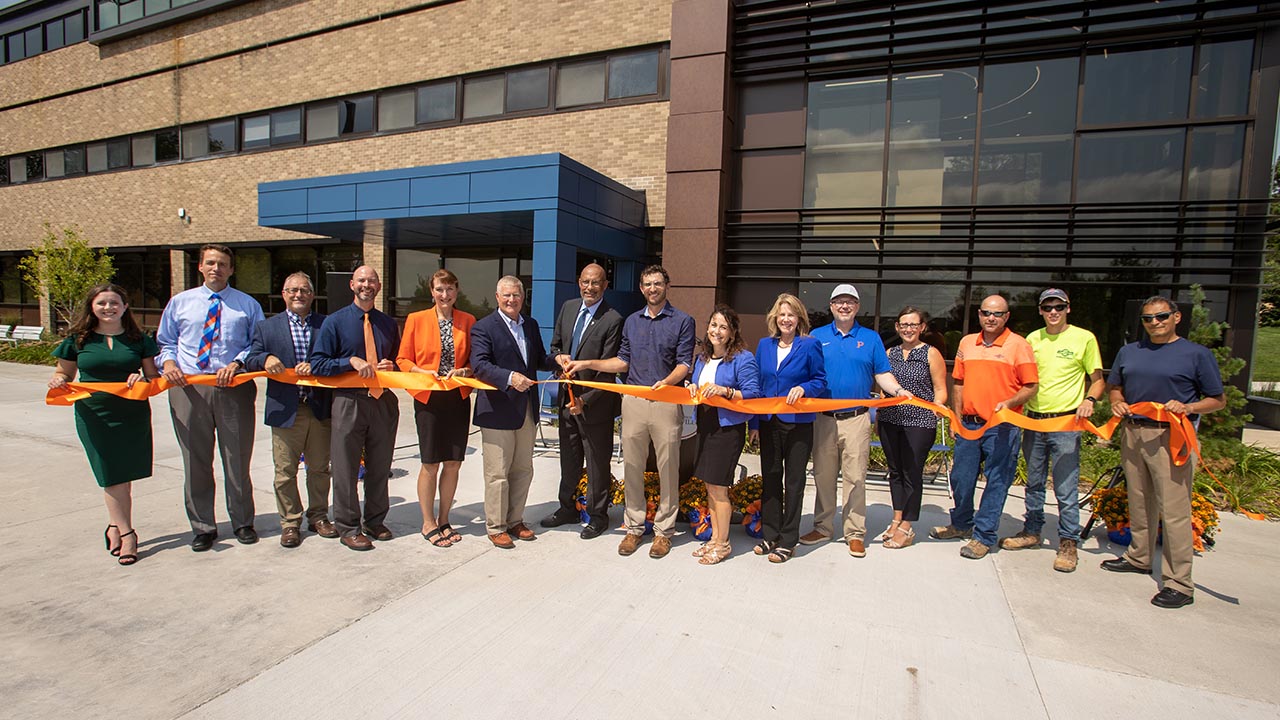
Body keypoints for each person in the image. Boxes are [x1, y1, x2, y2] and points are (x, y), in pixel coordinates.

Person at [564, 264, 695, 559]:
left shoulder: (683, 321)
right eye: (647, 284)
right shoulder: (632, 321)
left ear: (667, 286)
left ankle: (664, 532)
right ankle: (634, 527)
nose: (652, 289)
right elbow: (622, 361)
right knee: (632, 467)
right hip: (633, 402)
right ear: (641, 287)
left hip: (666, 400)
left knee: (667, 469)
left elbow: (685, 363)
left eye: (658, 284)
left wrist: (667, 382)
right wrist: (586, 364)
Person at [1102, 296, 1225, 609]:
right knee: (1140, 500)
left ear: (1176, 317)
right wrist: (1116, 400)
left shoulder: (1196, 354)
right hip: (1133, 432)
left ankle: (1179, 583)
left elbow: (1217, 399)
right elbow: (1115, 386)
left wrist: (1189, 406)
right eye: (1147, 319)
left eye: (1161, 317)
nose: (1154, 323)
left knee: (1174, 510)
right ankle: (1139, 557)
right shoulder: (1130, 352)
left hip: (1173, 437)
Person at [156, 243, 265, 552]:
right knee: (196, 461)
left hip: (234, 389)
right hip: (189, 389)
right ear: (201, 267)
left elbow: (256, 343)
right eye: (211, 263)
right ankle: (203, 526)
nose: (216, 268)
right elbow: (165, 341)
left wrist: (237, 363)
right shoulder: (180, 303)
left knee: (237, 460)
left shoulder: (246, 305)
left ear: (231, 269)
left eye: (223, 264)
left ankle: (243, 521)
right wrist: (169, 363)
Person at [49, 284, 159, 566]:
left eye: (114, 303)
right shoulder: (79, 339)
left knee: (125, 473)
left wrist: (142, 380)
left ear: (124, 307)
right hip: (94, 413)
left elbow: (152, 376)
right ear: (92, 307)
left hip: (131, 412)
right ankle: (128, 533)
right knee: (111, 473)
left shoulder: (139, 339)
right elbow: (65, 370)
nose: (108, 308)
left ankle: (114, 526)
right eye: (102, 303)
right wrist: (59, 379)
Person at [800, 284, 911, 558]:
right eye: (839, 301)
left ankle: (855, 533)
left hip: (857, 419)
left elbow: (882, 375)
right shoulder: (816, 336)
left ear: (857, 307)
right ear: (831, 306)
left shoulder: (871, 339)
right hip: (823, 419)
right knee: (823, 476)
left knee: (856, 478)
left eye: (850, 302)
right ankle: (823, 527)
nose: (844, 306)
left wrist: (897, 391)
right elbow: (807, 373)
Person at [1000, 289, 1103, 573]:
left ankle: (1068, 542)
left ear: (1068, 308)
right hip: (1034, 421)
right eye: (1048, 307)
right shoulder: (1032, 339)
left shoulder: (1084, 338)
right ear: (1041, 310)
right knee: (1033, 482)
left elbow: (1097, 380)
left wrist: (1089, 400)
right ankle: (1032, 531)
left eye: (1059, 306)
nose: (1053, 312)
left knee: (1065, 486)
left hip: (1066, 423)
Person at [931, 295, 1038, 560]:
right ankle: (962, 524)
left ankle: (984, 536)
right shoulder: (967, 343)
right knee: (961, 478)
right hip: (969, 423)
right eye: (987, 313)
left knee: (997, 481)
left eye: (997, 314)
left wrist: (1010, 402)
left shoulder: (1019, 346)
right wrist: (955, 418)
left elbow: (1031, 386)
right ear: (979, 315)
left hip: (1002, 426)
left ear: (1006, 317)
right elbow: (958, 383)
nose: (991, 318)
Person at [309, 265, 400, 551]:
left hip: (382, 401)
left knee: (380, 465)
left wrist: (392, 365)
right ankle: (348, 526)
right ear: (352, 285)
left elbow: (400, 360)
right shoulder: (334, 323)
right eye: (362, 280)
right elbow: (318, 364)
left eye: (372, 280)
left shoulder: (387, 323)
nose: (367, 285)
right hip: (349, 400)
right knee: (346, 468)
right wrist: (349, 361)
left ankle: (375, 520)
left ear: (379, 286)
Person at [244, 272, 336, 548]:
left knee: (319, 468)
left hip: (318, 407)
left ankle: (318, 516)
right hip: (286, 409)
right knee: (285, 471)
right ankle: (290, 522)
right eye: (293, 290)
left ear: (312, 294)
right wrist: (266, 358)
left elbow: (335, 356)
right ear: (284, 294)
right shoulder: (267, 328)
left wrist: (318, 366)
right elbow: (251, 359)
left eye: (304, 290)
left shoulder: (326, 324)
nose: (299, 295)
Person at [543, 263, 623, 540]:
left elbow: (607, 370)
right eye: (586, 282)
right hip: (566, 402)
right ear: (579, 282)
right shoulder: (568, 308)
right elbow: (555, 346)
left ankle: (598, 516)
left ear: (605, 285)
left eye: (596, 283)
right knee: (569, 459)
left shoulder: (613, 319)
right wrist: (558, 357)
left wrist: (585, 401)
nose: (590, 287)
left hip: (595, 407)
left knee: (598, 462)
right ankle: (567, 508)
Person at [396, 269, 476, 548]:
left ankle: (444, 519)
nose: (445, 295)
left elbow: (475, 361)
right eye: (440, 289)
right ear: (432, 292)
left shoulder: (468, 321)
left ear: (457, 291)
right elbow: (402, 359)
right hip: (428, 398)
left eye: (450, 289)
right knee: (430, 463)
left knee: (453, 463)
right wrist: (419, 370)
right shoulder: (416, 320)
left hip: (457, 397)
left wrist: (466, 369)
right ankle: (428, 521)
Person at [469, 276, 548, 549]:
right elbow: (479, 365)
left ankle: (515, 520)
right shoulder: (483, 328)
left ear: (523, 297)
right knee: (497, 473)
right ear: (497, 297)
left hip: (526, 408)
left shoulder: (531, 325)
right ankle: (496, 526)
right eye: (507, 296)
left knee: (523, 469)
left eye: (516, 295)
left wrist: (558, 361)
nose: (512, 300)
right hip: (497, 409)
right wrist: (510, 377)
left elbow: (538, 360)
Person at [748, 293, 826, 563]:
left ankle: (789, 539)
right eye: (782, 314)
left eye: (791, 314)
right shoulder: (764, 346)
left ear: (799, 318)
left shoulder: (810, 345)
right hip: (769, 423)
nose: (786, 319)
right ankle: (770, 533)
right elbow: (757, 387)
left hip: (798, 425)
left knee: (793, 482)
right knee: (770, 478)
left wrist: (804, 387)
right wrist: (754, 424)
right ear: (775, 318)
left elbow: (820, 381)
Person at [687, 304, 760, 565]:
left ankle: (724, 543)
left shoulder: (743, 358)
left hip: (727, 429)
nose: (717, 331)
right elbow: (698, 388)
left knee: (720, 488)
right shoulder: (702, 358)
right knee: (709, 485)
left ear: (732, 333)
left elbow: (753, 394)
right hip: (705, 425)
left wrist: (725, 391)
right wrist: (692, 386)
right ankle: (714, 538)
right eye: (713, 325)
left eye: (723, 327)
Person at [877, 306, 948, 550]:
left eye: (913, 325)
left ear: (922, 328)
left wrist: (939, 407)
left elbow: (940, 389)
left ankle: (907, 525)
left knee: (912, 471)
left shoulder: (931, 354)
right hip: (889, 419)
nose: (908, 329)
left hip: (919, 421)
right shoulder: (889, 353)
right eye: (904, 325)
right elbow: (882, 386)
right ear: (897, 327)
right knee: (895, 471)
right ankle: (896, 518)